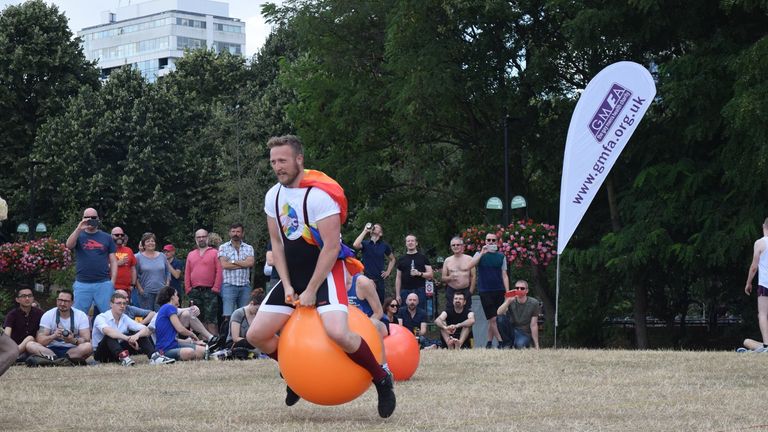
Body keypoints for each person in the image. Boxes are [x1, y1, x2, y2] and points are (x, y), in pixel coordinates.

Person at [246, 134, 395, 418]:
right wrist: (287, 284)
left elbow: (331, 248)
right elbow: (277, 243)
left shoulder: (319, 198)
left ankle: (381, 378)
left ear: (299, 159)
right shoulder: (272, 195)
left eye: (283, 160)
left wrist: (312, 288)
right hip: (294, 275)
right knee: (256, 335)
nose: (278, 167)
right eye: (273, 161)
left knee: (338, 333)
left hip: (325, 274)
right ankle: (293, 375)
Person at [92, 292, 170, 365]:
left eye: (124, 303)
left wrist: (137, 336)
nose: (122, 306)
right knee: (109, 336)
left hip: (118, 350)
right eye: (119, 303)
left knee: (138, 333)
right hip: (102, 353)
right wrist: (128, 338)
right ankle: (124, 358)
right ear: (111, 304)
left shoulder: (124, 318)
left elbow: (145, 330)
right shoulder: (101, 317)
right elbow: (109, 332)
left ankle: (154, 357)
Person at [65, 208, 117, 316]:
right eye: (86, 217)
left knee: (109, 316)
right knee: (77, 316)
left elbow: (113, 261)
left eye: (93, 217)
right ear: (82, 219)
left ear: (98, 219)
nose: (90, 220)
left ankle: (108, 333)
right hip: (82, 283)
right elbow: (69, 245)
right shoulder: (78, 235)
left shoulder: (107, 237)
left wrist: (112, 282)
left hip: (103, 283)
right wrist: (79, 229)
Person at [25, 289, 93, 366]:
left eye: (66, 301)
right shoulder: (48, 315)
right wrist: (54, 336)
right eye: (60, 300)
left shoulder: (81, 315)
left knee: (88, 346)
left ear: (72, 303)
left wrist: (72, 340)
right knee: (30, 344)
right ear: (57, 300)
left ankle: (55, 360)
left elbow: (86, 339)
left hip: (72, 350)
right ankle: (61, 360)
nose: (62, 303)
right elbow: (40, 340)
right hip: (50, 350)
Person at [465, 232, 509, 348]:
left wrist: (507, 292)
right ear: (485, 241)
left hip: (499, 290)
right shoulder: (479, 254)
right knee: (492, 318)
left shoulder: (501, 256)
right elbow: (469, 266)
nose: (490, 242)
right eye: (488, 240)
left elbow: (504, 275)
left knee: (494, 319)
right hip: (485, 290)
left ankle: (489, 343)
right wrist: (481, 253)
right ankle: (501, 342)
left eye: (493, 240)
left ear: (497, 242)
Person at [154, 286, 207, 361]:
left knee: (204, 351)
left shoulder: (165, 308)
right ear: (172, 297)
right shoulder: (169, 307)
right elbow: (180, 329)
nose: (178, 298)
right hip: (165, 350)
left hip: (173, 345)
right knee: (190, 352)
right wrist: (192, 334)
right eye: (176, 295)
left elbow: (172, 339)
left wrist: (193, 342)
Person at [185, 228, 222, 336]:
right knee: (196, 319)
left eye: (203, 236)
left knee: (211, 320)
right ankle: (202, 344)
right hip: (194, 291)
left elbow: (219, 271)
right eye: (198, 237)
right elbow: (187, 272)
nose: (201, 239)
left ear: (207, 238)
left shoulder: (215, 253)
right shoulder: (191, 254)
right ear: (195, 239)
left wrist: (216, 288)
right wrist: (188, 289)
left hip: (210, 291)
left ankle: (214, 344)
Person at [347, 273, 390, 365]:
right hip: (351, 328)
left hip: (375, 322)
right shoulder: (331, 287)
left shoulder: (362, 283)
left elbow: (378, 312)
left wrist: (362, 327)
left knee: (373, 323)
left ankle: (384, 367)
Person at [218, 223, 255, 321]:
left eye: (238, 231)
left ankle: (242, 335)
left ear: (242, 233)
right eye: (233, 231)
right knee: (228, 314)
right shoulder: (223, 247)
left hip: (245, 286)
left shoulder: (249, 247)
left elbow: (250, 263)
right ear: (229, 233)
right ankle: (228, 335)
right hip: (229, 286)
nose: (235, 234)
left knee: (245, 314)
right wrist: (243, 263)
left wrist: (233, 262)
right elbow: (224, 265)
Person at [353, 223, 396, 303]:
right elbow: (355, 245)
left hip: (379, 280)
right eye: (373, 226)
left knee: (380, 303)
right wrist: (365, 231)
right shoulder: (365, 244)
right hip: (367, 279)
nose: (374, 227)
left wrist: (388, 272)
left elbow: (392, 259)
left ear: (381, 233)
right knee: (367, 303)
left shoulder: (384, 246)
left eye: (376, 227)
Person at [744, 217, 768, 351]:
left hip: (765, 283)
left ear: (763, 226)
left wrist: (748, 283)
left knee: (763, 314)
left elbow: (754, 266)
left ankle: (766, 344)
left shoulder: (760, 243)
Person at [496, 280, 541, 349]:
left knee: (520, 346)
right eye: (517, 288)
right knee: (500, 318)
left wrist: (537, 344)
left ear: (527, 291)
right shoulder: (511, 300)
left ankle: (515, 344)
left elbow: (534, 325)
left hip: (524, 333)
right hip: (512, 330)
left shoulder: (534, 303)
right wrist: (507, 301)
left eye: (522, 288)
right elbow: (499, 313)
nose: (519, 290)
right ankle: (507, 344)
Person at [3, 286, 44, 360]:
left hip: (33, 347)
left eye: (30, 296)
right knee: (29, 338)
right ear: (17, 300)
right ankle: (14, 355)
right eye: (24, 296)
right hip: (15, 347)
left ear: (33, 298)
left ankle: (10, 357)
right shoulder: (12, 315)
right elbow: (6, 336)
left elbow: (42, 334)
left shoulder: (40, 313)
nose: (27, 298)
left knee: (30, 338)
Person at [395, 234, 433, 311]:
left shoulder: (423, 258)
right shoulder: (401, 259)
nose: (410, 242)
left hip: (420, 290)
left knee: (421, 313)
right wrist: (397, 294)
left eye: (412, 241)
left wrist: (419, 273)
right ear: (406, 244)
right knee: (404, 313)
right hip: (405, 291)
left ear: (416, 243)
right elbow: (398, 278)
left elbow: (430, 275)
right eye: (408, 241)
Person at [225, 288, 264, 359]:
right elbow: (235, 338)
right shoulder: (238, 313)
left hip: (251, 342)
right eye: (257, 309)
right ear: (251, 303)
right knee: (247, 344)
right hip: (235, 343)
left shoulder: (258, 315)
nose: (258, 312)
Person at [441, 236, 475, 310]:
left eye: (458, 245)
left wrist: (470, 291)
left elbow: (473, 276)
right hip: (451, 290)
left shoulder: (469, 259)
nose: (455, 246)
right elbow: (443, 278)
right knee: (450, 313)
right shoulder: (447, 260)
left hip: (465, 290)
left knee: (466, 313)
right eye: (453, 245)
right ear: (451, 247)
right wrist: (450, 277)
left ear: (462, 246)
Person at [111, 227, 137, 297]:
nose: (120, 236)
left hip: (126, 288)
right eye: (117, 235)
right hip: (110, 287)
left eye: (122, 235)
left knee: (124, 307)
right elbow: (102, 267)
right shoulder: (107, 249)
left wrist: (133, 284)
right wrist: (117, 263)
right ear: (111, 236)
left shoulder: (129, 250)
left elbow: (133, 268)